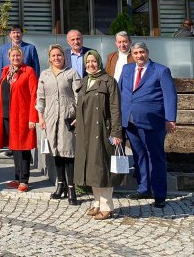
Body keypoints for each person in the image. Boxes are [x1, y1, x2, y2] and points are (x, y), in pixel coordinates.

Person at [120, 41, 177, 209]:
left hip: (153, 122)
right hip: (130, 121)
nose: (139, 55)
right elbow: (120, 91)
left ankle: (159, 194)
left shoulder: (160, 70)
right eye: (136, 53)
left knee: (155, 157)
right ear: (132, 54)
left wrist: (170, 118)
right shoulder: (127, 69)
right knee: (139, 155)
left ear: (148, 52)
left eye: (142, 52)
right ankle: (144, 188)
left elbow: (170, 96)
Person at [74, 50, 126, 220]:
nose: (90, 64)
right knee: (92, 169)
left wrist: (116, 132)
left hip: (103, 130)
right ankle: (97, 203)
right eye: (88, 62)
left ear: (99, 62)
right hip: (85, 131)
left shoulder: (109, 81)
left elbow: (115, 108)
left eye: (93, 61)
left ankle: (107, 206)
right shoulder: (84, 81)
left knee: (102, 169)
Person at [37, 44, 81, 204]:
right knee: (55, 151)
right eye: (53, 56)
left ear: (64, 57)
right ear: (49, 58)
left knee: (68, 153)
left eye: (59, 55)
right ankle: (60, 185)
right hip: (50, 119)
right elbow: (40, 98)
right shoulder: (44, 74)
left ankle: (71, 188)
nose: (57, 58)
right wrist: (40, 117)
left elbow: (79, 97)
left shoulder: (72, 73)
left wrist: (78, 117)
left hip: (68, 118)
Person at [0, 46, 39, 191]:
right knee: (14, 147)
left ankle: (24, 180)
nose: (16, 58)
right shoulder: (6, 71)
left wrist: (33, 117)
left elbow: (34, 95)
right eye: (13, 56)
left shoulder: (29, 71)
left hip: (22, 116)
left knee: (23, 148)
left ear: (22, 56)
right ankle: (16, 176)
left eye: (18, 56)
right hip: (7, 114)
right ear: (9, 57)